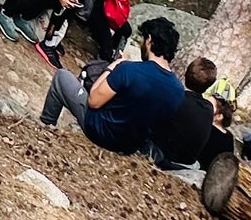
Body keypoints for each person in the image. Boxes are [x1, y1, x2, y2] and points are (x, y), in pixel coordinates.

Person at [38, 14, 183, 156]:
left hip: (101, 132)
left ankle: (45, 126)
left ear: (149, 40)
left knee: (62, 77)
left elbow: (93, 101)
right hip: (131, 147)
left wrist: (114, 65)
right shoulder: (178, 91)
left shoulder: (129, 69)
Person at [149, 55, 235, 174]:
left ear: (185, 75)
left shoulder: (177, 97)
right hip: (188, 165)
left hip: (162, 156)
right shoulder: (208, 109)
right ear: (209, 86)